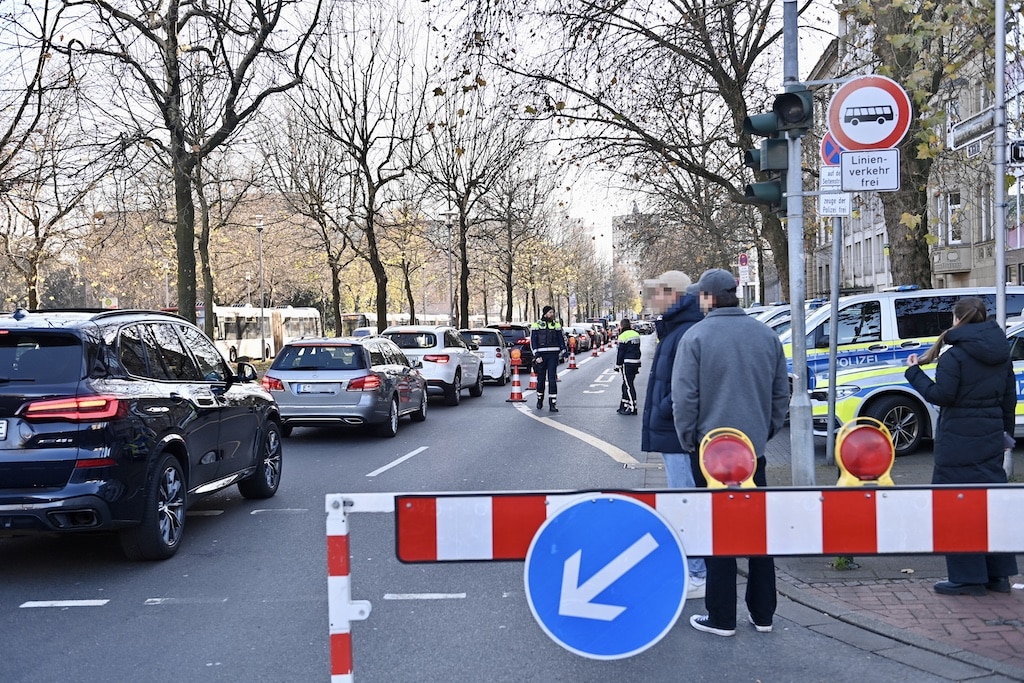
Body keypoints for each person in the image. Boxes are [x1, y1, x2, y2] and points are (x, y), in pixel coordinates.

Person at [671, 268, 788, 637]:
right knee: (758, 531)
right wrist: (762, 434)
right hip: (752, 452)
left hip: (709, 453)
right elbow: (779, 395)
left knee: (717, 530)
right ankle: (763, 613)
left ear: (707, 298)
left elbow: (684, 399)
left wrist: (689, 439)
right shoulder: (767, 335)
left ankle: (721, 616)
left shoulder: (696, 337)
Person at [904, 296, 1019, 596]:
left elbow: (942, 395)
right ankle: (998, 576)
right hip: (991, 439)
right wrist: (1005, 437)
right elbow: (1010, 399)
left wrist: (914, 373)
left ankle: (967, 577)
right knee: (991, 506)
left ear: (957, 319)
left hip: (958, 443)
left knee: (956, 506)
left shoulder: (954, 356)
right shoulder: (1001, 353)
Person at [639, 270, 708, 599]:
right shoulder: (677, 328)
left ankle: (698, 571)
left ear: (677, 295)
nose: (655, 299)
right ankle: (693, 565)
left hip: (678, 432)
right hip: (673, 429)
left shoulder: (684, 331)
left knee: (686, 501)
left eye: (661, 292)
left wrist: (666, 411)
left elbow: (686, 386)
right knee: (683, 499)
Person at [530, 305, 567, 412]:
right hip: (541, 356)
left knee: (552, 379)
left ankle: (552, 403)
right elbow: (533, 341)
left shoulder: (556, 325)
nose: (552, 314)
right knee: (540, 379)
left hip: (553, 356)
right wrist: (536, 355)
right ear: (545, 313)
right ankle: (540, 399)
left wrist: (564, 352)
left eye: (553, 312)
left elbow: (561, 339)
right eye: (550, 312)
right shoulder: (536, 324)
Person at [614, 318, 642, 414]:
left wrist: (617, 365)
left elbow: (621, 352)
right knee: (625, 385)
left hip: (628, 362)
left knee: (629, 386)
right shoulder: (636, 334)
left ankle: (633, 407)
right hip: (636, 361)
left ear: (622, 326)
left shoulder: (623, 336)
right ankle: (624, 405)